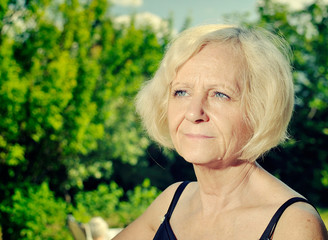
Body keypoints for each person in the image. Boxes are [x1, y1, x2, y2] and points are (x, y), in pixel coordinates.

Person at [113, 24, 328, 240]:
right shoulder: (172, 202)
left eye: (220, 94)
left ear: (260, 110)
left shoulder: (294, 225)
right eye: (181, 92)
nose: (193, 113)